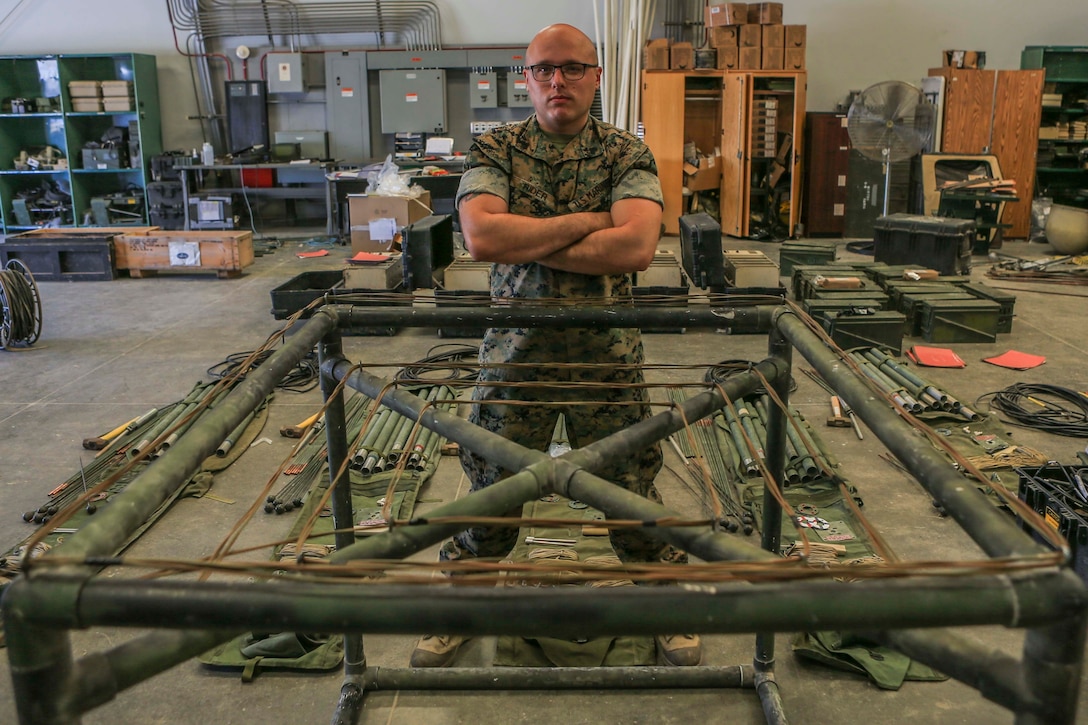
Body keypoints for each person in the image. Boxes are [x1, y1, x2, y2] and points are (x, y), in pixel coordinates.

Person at [411, 23, 700, 668]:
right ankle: (458, 605)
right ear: (527, 78)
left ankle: (663, 603)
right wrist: (593, 221)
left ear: (596, 76)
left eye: (572, 68)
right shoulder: (496, 148)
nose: (557, 81)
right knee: (492, 488)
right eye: (544, 70)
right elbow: (483, 239)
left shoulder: (628, 153)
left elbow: (636, 247)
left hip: (607, 356)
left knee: (630, 489)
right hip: (516, 356)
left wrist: (532, 232)